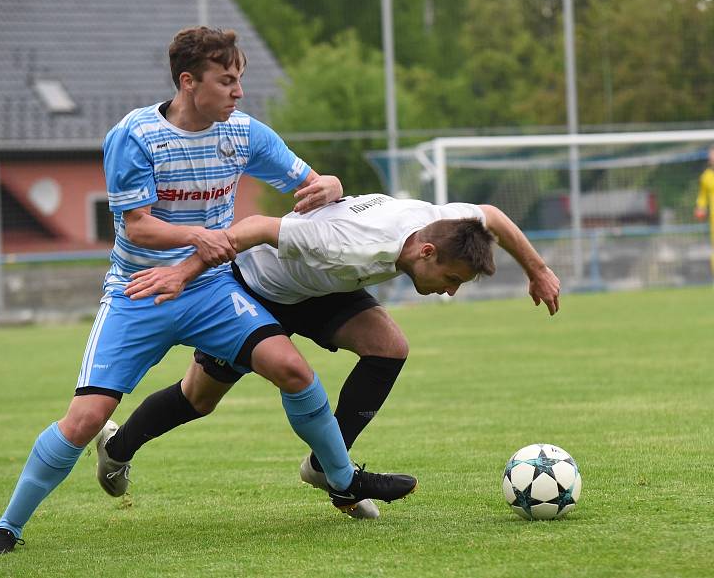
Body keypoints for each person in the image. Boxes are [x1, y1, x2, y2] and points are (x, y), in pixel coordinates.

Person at [0, 28, 416, 557]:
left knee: (293, 370)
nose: (238, 92)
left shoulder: (243, 134)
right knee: (86, 418)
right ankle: (7, 527)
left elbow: (312, 183)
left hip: (210, 289)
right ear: (188, 82)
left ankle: (343, 481)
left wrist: (334, 185)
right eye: (226, 81)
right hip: (138, 293)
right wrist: (199, 236)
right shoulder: (134, 136)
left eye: (240, 80)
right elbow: (136, 227)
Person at [97, 193, 560, 519]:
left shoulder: (445, 220)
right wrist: (183, 273)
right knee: (198, 398)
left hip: (322, 289)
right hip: (259, 289)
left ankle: (325, 468)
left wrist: (537, 271)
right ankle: (116, 448)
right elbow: (255, 227)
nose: (450, 291)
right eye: (451, 278)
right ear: (426, 251)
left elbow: (493, 215)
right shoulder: (348, 244)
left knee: (390, 348)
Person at [694, 145, 714, 276]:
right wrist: (700, 208)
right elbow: (702, 197)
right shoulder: (706, 177)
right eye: (710, 155)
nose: (711, 157)